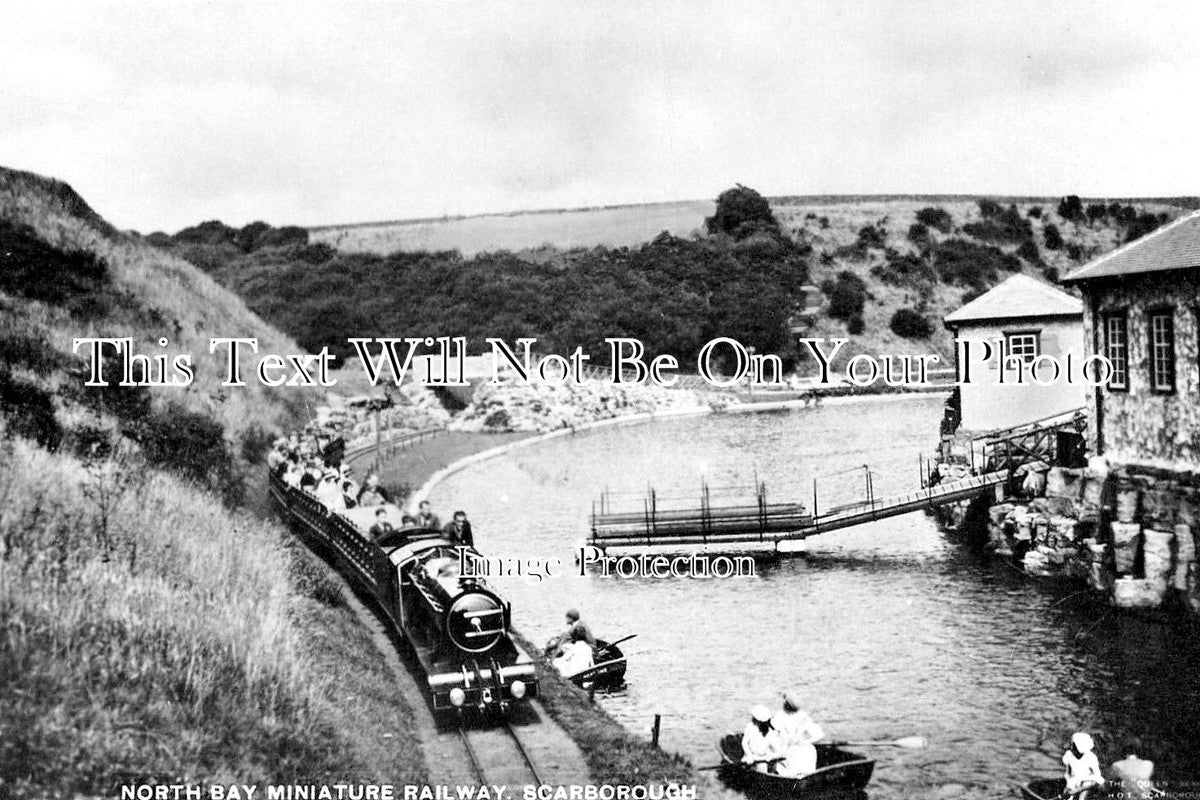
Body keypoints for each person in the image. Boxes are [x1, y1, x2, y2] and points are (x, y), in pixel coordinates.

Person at [772, 691, 824, 777]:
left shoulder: (779, 716)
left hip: (789, 749)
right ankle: (805, 776)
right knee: (810, 749)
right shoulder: (803, 715)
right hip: (802, 747)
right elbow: (819, 735)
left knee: (779, 757)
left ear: (786, 704)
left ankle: (790, 774)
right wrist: (806, 741)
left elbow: (775, 736)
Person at [741, 705, 783, 772]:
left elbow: (774, 746)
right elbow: (744, 743)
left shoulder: (770, 731)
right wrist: (749, 755)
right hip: (752, 756)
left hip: (764, 756)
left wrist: (774, 754)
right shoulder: (750, 727)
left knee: (777, 766)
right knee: (762, 769)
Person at [1062, 732, 1104, 798]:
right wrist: (1069, 785)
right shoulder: (1069, 754)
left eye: (1073, 745)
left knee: (1083, 796)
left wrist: (1079, 788)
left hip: (1087, 782)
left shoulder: (1091, 757)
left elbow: (1097, 775)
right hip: (1073, 782)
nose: (1071, 746)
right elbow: (1067, 773)